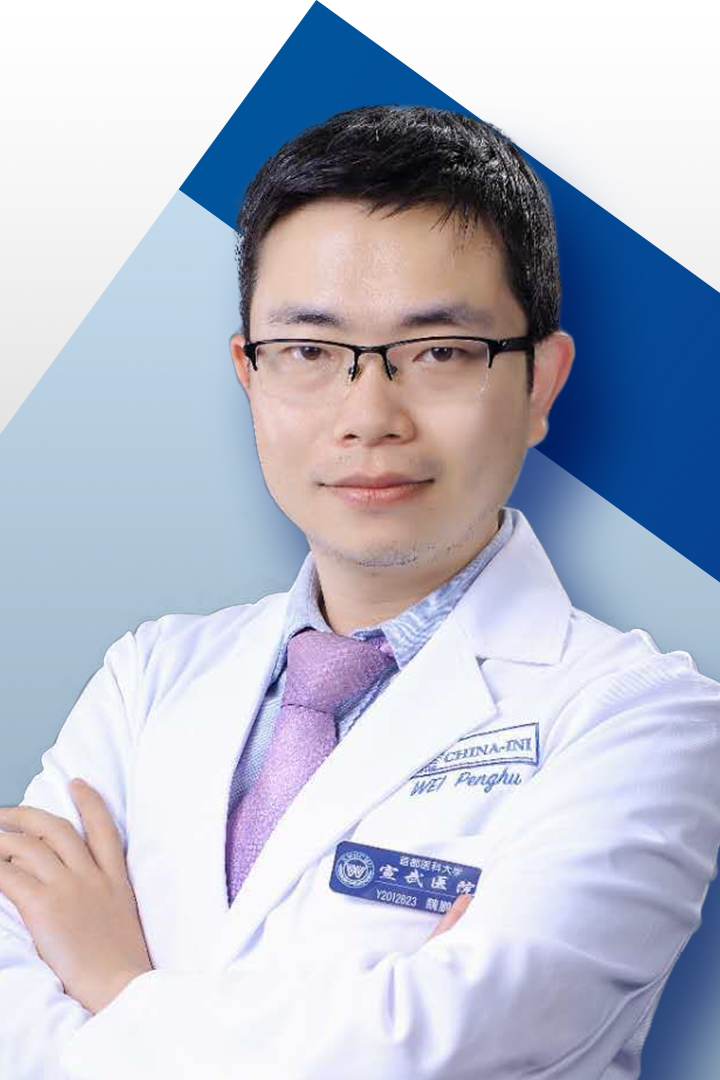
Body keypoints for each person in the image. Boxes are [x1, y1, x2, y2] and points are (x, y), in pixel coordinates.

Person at [0, 104, 719, 1080]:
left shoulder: (645, 720)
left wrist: (114, 983)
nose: (368, 415)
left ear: (541, 385)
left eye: (440, 351)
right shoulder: (148, 677)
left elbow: (439, 1050)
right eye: (308, 352)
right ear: (248, 375)